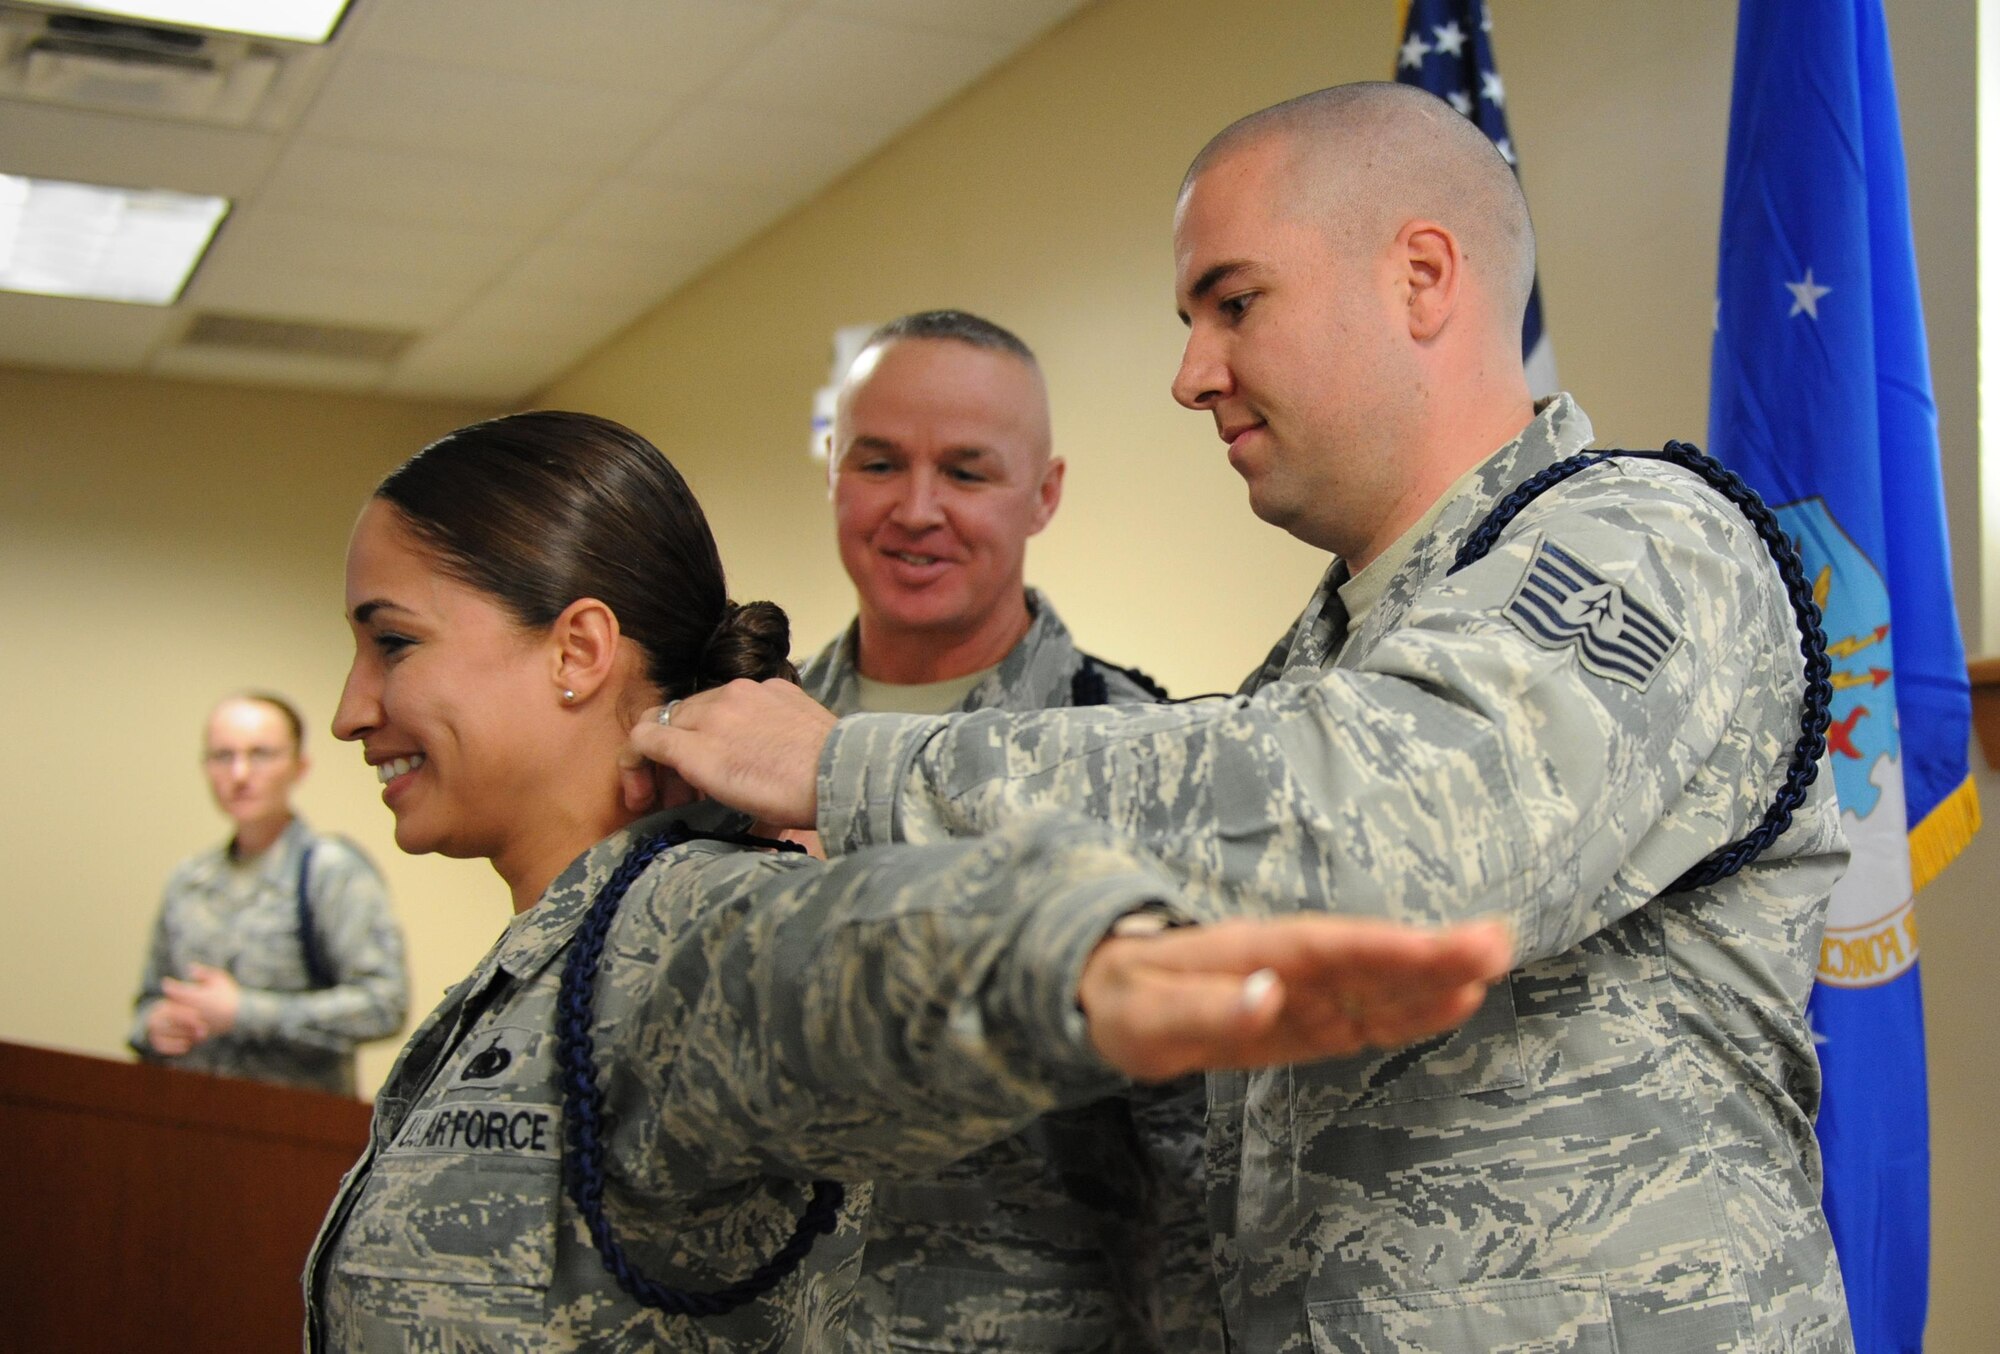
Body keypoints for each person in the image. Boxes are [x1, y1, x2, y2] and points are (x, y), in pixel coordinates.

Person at [625, 82, 1854, 1353]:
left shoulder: (1645, 540)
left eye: (1234, 303)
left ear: (1421, 277)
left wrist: (850, 769)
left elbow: (1395, 837)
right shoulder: (1316, 672)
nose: (1188, 373)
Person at [304, 409, 1512, 1352]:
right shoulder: (546, 961)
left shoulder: (672, 926)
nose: (353, 708)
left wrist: (1084, 971)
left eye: (392, 641)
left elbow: (840, 961)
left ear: (577, 651)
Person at [805, 308, 1210, 1352]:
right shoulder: (728, 749)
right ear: (831, 470)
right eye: (878, 461)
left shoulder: (1138, 757)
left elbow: (1203, 1147)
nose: (916, 509)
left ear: (1045, 494)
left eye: (968, 472)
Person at [130, 692, 408, 1097]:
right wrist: (155, 1026)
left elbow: (384, 1004)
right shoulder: (189, 881)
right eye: (223, 756)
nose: (240, 773)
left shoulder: (330, 870)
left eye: (260, 755)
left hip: (294, 1131)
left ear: (299, 767)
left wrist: (244, 1012)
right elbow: (147, 1003)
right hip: (184, 1118)